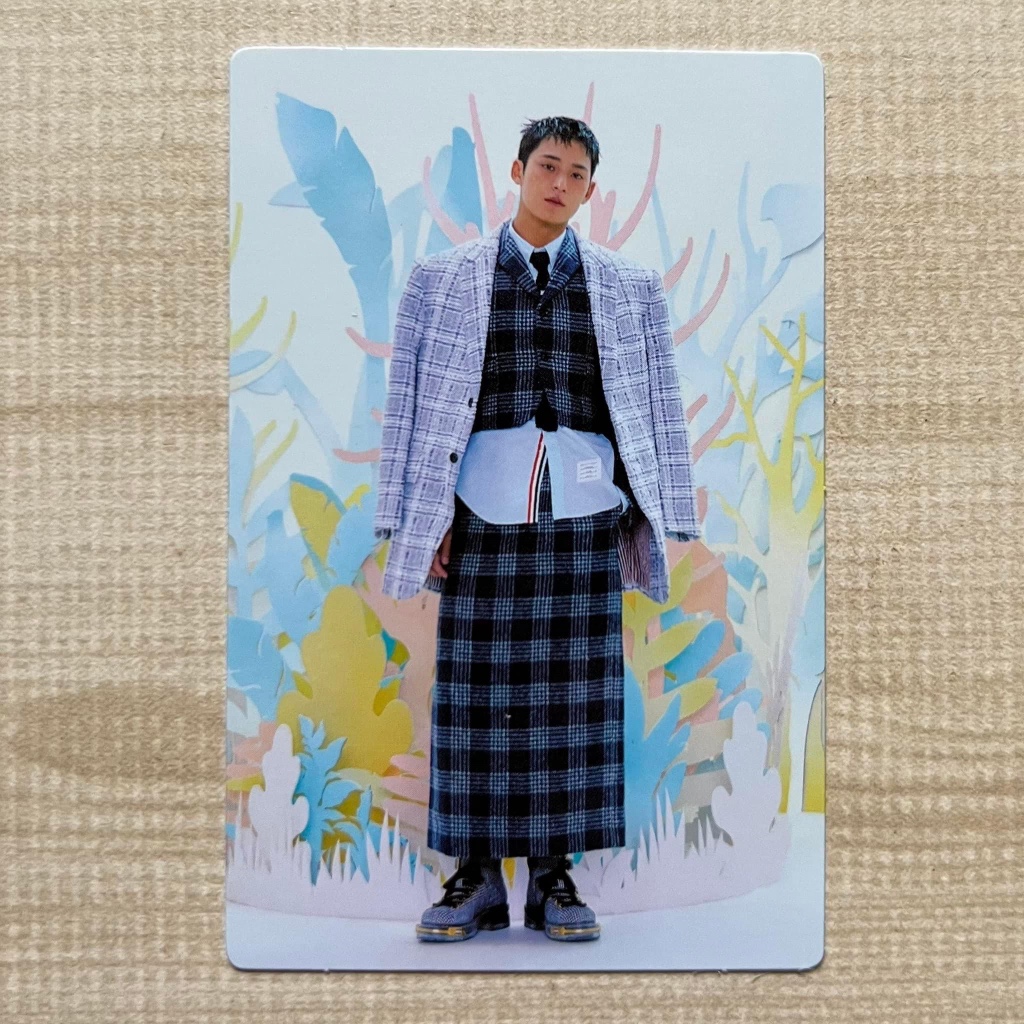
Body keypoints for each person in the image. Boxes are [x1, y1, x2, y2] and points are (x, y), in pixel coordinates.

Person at [373, 116, 701, 942]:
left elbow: (657, 399)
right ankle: (476, 877)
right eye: (548, 166)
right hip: (479, 515)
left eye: (577, 173)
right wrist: (413, 515)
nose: (561, 183)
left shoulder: (629, 287)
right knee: (475, 699)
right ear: (518, 171)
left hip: (586, 516)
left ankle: (555, 878)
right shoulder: (441, 280)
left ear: (590, 189)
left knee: (574, 699)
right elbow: (408, 401)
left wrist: (666, 508)